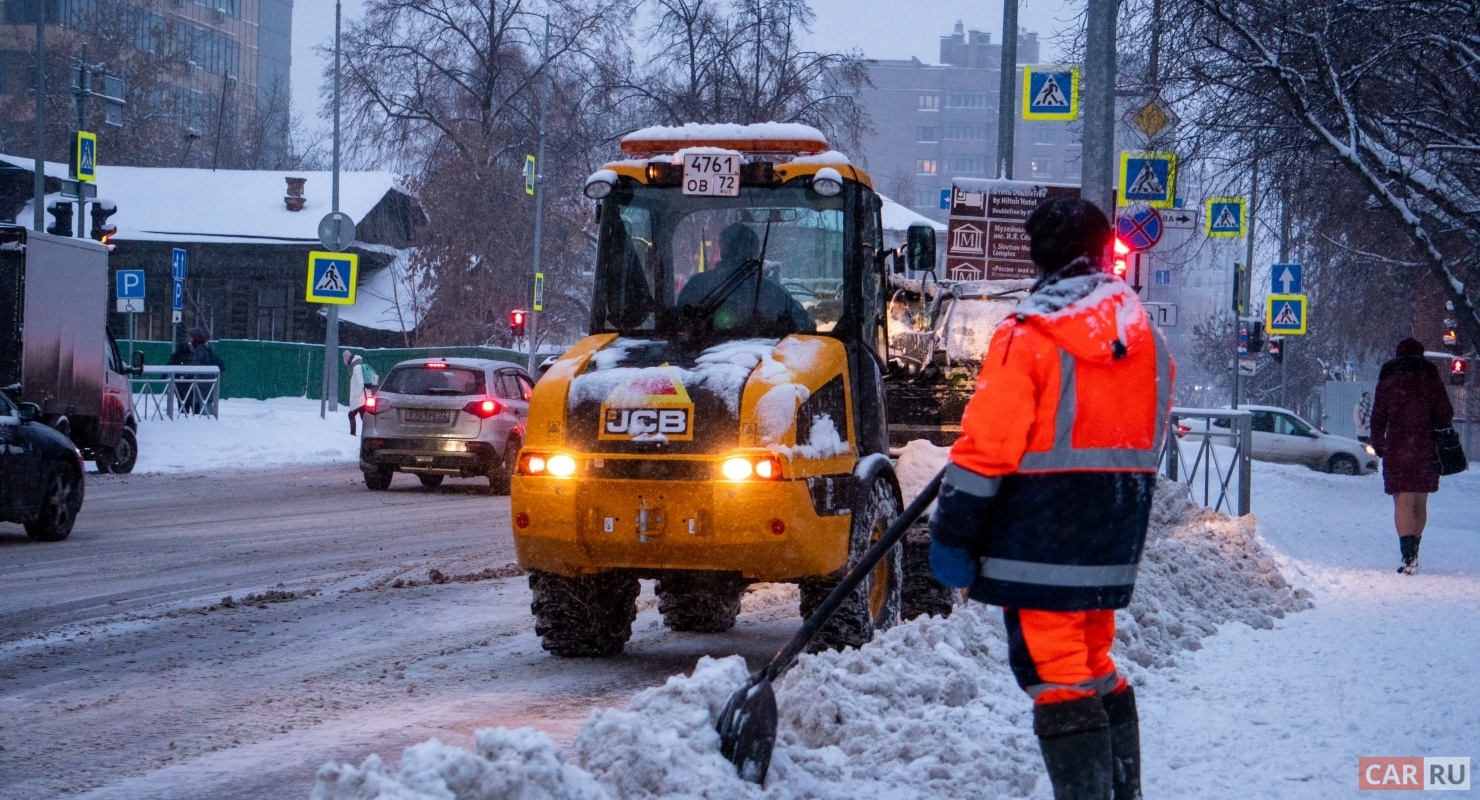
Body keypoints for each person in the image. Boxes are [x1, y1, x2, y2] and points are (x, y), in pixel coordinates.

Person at [928, 197, 1174, 800]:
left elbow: (988, 447)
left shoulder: (1029, 334)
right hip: (1116, 532)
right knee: (1093, 665)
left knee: (1056, 676)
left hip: (1042, 534)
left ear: (1037, 252)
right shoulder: (1145, 337)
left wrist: (953, 531)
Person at [1370, 338, 1453, 575]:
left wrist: (1378, 444)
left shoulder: (1388, 380)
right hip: (1425, 445)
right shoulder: (1431, 379)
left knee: (1403, 502)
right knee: (1419, 502)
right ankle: (1415, 552)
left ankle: (1408, 557)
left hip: (1397, 445)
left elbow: (1378, 416)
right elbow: (1446, 413)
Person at [674, 222, 813, 335]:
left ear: (723, 249)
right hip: (764, 365)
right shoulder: (775, 292)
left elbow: (677, 325)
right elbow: (806, 328)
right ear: (755, 251)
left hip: (697, 363)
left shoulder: (697, 284)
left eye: (721, 244)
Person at [187, 328, 226, 415]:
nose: (189, 340)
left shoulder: (199, 350)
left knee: (204, 403)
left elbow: (195, 366)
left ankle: (209, 422)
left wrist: (186, 374)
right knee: (206, 402)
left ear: (195, 338)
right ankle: (210, 420)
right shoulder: (205, 348)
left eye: (191, 337)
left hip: (202, 381)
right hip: (207, 380)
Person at [344, 350, 379, 435]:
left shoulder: (356, 367)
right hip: (364, 396)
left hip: (360, 398)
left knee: (352, 415)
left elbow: (360, 383)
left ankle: (354, 434)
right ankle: (369, 433)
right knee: (364, 417)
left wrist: (356, 395)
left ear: (347, 357)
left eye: (344, 358)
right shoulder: (357, 366)